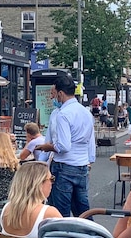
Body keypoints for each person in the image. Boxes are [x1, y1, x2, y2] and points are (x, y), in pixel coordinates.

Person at [37, 73, 95, 217]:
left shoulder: (63, 114)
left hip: (64, 167)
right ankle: (90, 236)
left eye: (55, 94)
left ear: (61, 93)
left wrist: (47, 147)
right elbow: (90, 140)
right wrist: (90, 160)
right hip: (81, 165)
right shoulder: (86, 112)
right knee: (82, 211)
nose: (54, 97)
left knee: (60, 213)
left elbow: (63, 146)